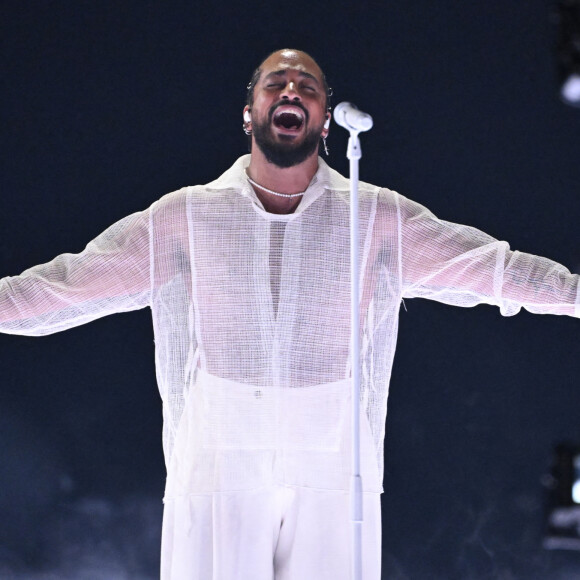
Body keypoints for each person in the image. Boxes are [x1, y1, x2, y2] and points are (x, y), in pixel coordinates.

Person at [0, 48, 578, 580]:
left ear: (326, 122)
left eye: (308, 87)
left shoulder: (373, 217)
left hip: (331, 462)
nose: (292, 90)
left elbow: (491, 269)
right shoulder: (186, 218)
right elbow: (66, 287)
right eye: (277, 83)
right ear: (249, 115)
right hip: (220, 459)